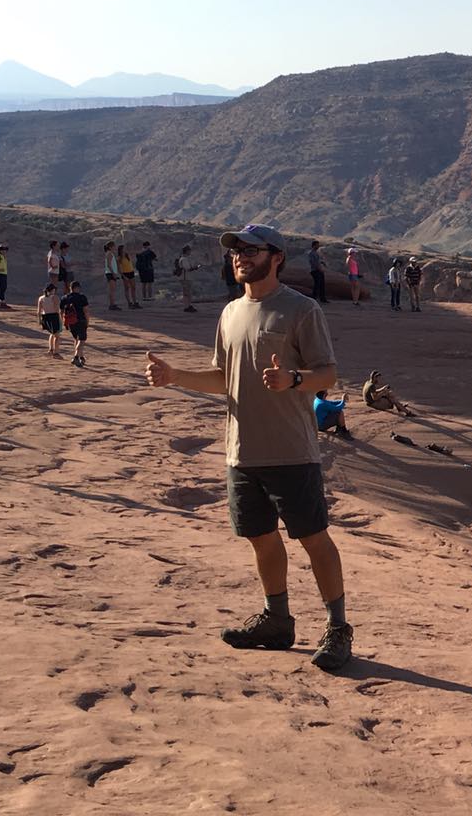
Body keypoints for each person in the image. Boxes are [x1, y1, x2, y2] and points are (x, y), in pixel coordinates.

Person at [143, 222, 354, 672]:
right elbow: (224, 378)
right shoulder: (230, 313)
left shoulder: (301, 310)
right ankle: (277, 620)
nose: (239, 256)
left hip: (291, 450)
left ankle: (338, 628)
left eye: (250, 250)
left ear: (275, 256)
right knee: (260, 538)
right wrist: (176, 377)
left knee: (313, 537)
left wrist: (294, 380)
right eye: (235, 250)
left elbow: (327, 373)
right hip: (242, 452)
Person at [59, 280, 90, 367]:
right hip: (81, 320)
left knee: (76, 338)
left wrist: (63, 321)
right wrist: (87, 321)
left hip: (70, 322)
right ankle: (76, 356)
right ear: (77, 288)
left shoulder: (65, 298)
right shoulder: (82, 297)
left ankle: (81, 356)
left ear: (70, 288)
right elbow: (86, 310)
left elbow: (61, 311)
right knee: (81, 340)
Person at [37, 281, 62, 357]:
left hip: (45, 317)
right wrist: (60, 318)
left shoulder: (41, 298)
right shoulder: (54, 297)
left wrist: (39, 320)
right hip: (54, 316)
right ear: (52, 290)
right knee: (57, 335)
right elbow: (57, 309)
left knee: (52, 334)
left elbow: (38, 311)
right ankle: (56, 352)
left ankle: (51, 349)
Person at [175, 244, 196, 312]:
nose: (190, 252)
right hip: (185, 278)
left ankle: (188, 305)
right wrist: (194, 268)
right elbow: (187, 268)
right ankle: (187, 306)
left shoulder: (183, 258)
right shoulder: (184, 259)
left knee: (187, 292)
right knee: (187, 293)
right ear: (186, 251)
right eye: (189, 250)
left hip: (186, 277)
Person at [118, 244, 139, 309]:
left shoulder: (127, 256)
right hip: (125, 273)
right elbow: (119, 268)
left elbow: (130, 264)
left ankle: (135, 302)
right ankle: (129, 303)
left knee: (133, 288)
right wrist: (123, 276)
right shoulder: (119, 258)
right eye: (124, 249)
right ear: (121, 250)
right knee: (127, 288)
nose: (125, 250)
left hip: (131, 272)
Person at [104, 241, 122, 310]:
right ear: (111, 247)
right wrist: (113, 273)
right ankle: (112, 305)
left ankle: (112, 304)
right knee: (112, 290)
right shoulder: (109, 254)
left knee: (112, 290)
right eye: (114, 246)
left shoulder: (110, 253)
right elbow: (109, 265)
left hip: (110, 273)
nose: (115, 247)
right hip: (110, 273)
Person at [307, 241, 326, 305]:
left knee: (322, 284)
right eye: (317, 245)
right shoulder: (311, 253)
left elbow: (318, 261)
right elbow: (313, 263)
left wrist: (322, 263)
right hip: (315, 270)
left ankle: (322, 298)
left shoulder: (316, 253)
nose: (318, 246)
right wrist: (319, 268)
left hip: (319, 270)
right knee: (317, 284)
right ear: (314, 245)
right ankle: (314, 298)